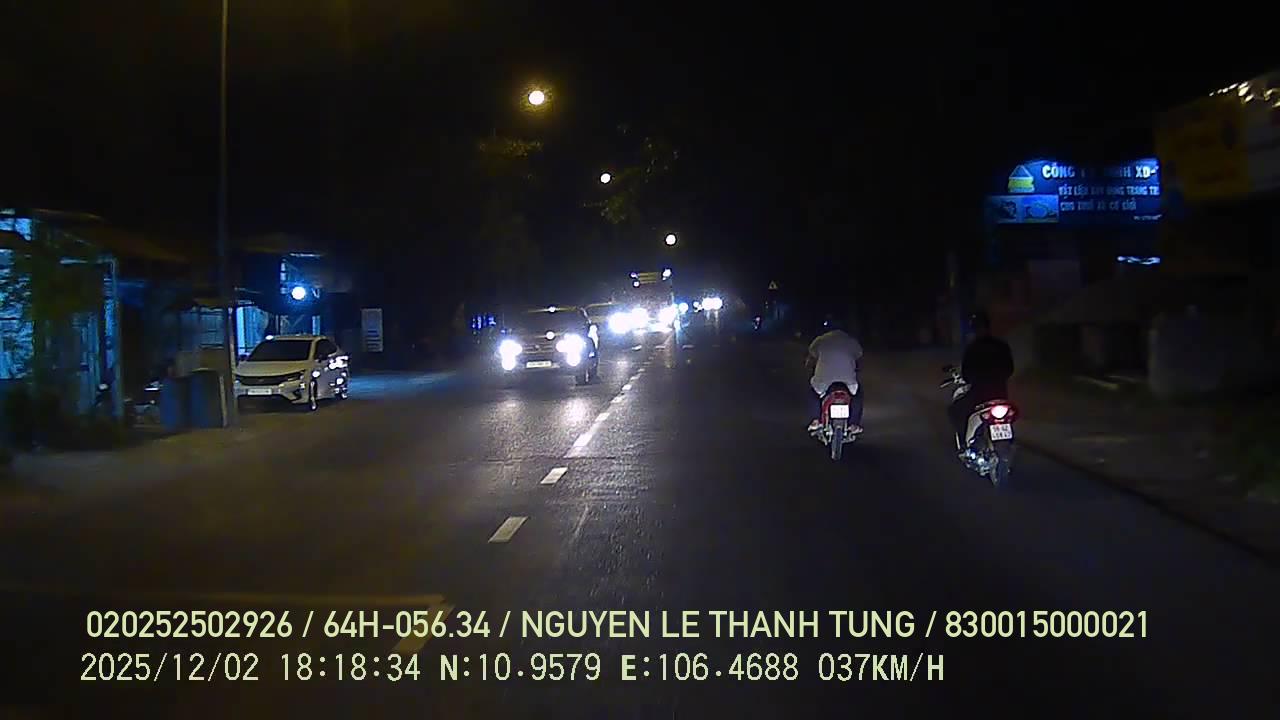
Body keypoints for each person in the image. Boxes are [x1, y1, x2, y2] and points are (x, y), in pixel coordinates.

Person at [948, 310, 1014, 450]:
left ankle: (966, 445)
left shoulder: (973, 349)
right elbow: (1010, 368)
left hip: (979, 395)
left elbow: (966, 373)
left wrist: (973, 378)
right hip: (1001, 394)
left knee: (955, 410)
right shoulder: (1001, 345)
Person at [805, 313, 864, 434]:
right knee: (857, 395)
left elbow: (811, 358)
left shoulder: (820, 340)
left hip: (824, 380)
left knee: (813, 393)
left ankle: (815, 420)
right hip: (848, 381)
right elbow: (859, 359)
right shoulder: (852, 342)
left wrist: (810, 366)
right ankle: (853, 424)